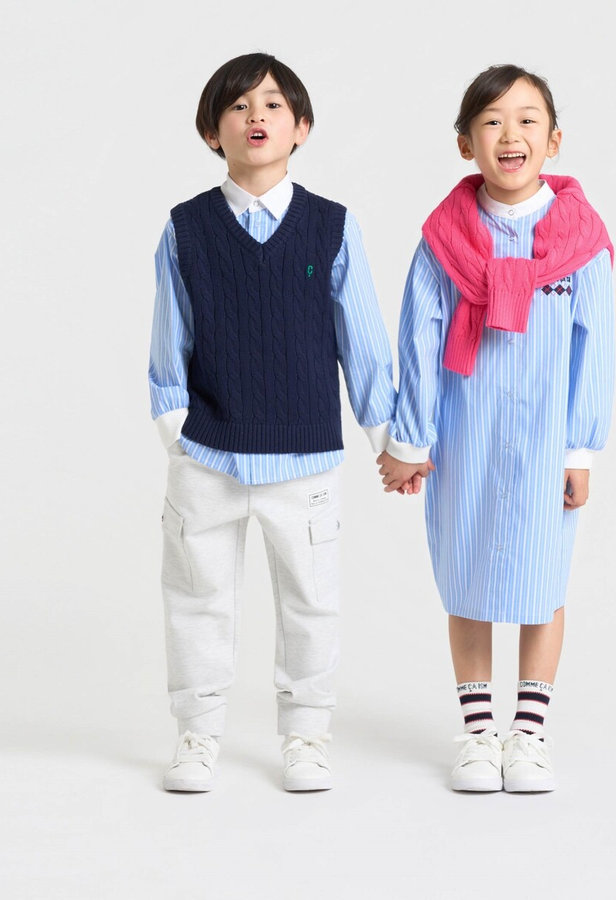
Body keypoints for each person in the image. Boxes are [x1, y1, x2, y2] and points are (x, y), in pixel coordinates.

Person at [149, 52, 396, 792]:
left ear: (301, 127)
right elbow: (170, 339)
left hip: (305, 458)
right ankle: (197, 735)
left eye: (273, 105)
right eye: (237, 106)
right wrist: (178, 431)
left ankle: (307, 736)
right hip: (208, 457)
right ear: (211, 132)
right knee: (197, 600)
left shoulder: (331, 227)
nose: (255, 116)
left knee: (311, 603)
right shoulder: (186, 228)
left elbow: (363, 340)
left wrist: (388, 439)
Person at [377, 64, 614, 792]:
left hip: (546, 438)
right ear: (465, 144)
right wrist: (411, 441)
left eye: (527, 119)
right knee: (467, 577)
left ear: (554, 140)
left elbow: (595, 347)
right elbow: (418, 339)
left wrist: (580, 449)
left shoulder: (581, 241)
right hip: (465, 435)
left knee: (544, 577)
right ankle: (479, 735)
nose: (510, 134)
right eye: (491, 121)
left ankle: (529, 734)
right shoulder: (443, 240)